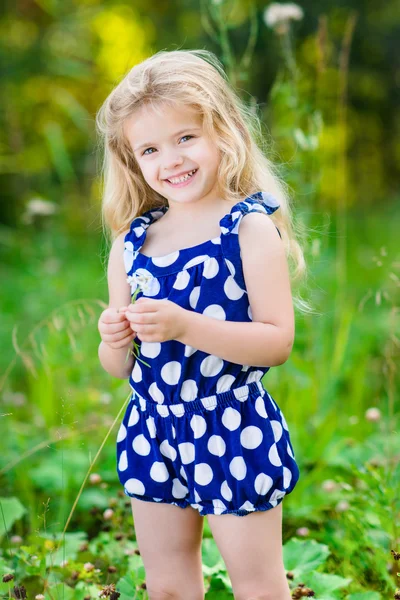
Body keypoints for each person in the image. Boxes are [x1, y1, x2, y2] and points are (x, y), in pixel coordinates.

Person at [96, 49, 306, 600]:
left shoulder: (248, 228)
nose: (171, 159)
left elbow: (276, 342)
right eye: (150, 149)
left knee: (257, 586)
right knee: (166, 586)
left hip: (232, 425)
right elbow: (120, 369)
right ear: (131, 160)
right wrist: (112, 340)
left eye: (185, 137)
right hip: (152, 428)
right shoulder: (131, 244)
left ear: (222, 132)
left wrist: (185, 326)